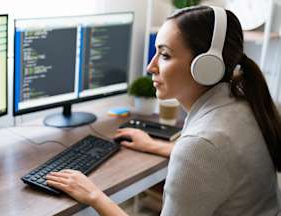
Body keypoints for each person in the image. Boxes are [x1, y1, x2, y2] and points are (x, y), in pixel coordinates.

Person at [46, 5, 281, 216]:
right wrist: (155, 146)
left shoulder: (202, 144)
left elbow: (205, 150)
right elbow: (220, 156)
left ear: (206, 66)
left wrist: (93, 195)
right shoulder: (242, 102)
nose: (151, 66)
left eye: (165, 55)